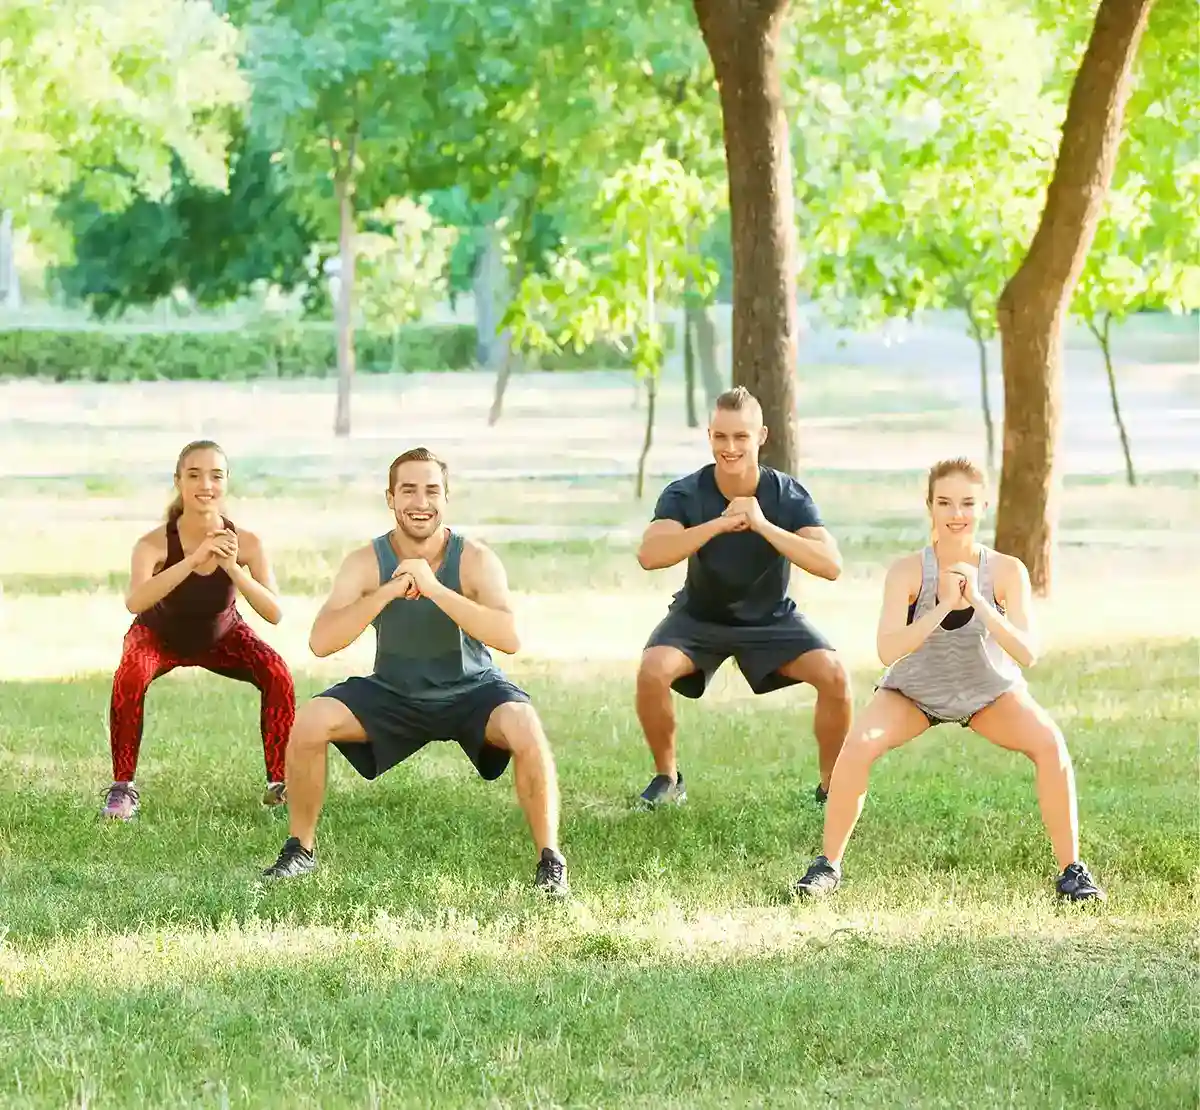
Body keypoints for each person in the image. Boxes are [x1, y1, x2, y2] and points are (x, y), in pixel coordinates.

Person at [793, 457, 1105, 902]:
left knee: (1050, 743)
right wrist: (940, 607)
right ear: (930, 507)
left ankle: (1073, 873)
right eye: (944, 502)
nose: (956, 513)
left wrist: (978, 601)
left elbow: (1027, 652)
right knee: (858, 745)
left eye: (966, 503)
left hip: (987, 691)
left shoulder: (1006, 571)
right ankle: (827, 867)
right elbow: (887, 650)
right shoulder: (908, 572)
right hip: (914, 691)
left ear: (983, 507)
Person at [259, 447, 568, 896]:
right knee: (310, 720)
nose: (420, 502)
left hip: (472, 690)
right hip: (394, 693)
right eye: (408, 490)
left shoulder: (476, 559)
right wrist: (386, 592)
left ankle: (550, 860)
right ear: (390, 498)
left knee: (524, 723)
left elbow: (509, 637)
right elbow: (321, 641)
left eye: (431, 491)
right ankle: (299, 851)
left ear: (447, 498)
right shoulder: (365, 561)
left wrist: (435, 589)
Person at [634, 386, 852, 808]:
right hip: (700, 616)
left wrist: (763, 524)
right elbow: (649, 555)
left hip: (771, 619)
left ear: (761, 436)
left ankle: (831, 786)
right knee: (652, 670)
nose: (730, 447)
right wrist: (717, 524)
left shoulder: (787, 495)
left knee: (835, 675)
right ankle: (667, 778)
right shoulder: (685, 493)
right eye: (721, 437)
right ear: (710, 436)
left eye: (741, 437)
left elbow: (831, 564)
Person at [102, 440, 295, 820]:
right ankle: (122, 789)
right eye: (194, 475)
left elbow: (275, 613)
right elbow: (135, 602)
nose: (205, 484)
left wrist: (234, 568)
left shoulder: (249, 542)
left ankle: (280, 781)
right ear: (178, 481)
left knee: (276, 672)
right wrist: (193, 560)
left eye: (216, 475)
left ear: (226, 483)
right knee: (130, 675)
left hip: (222, 636)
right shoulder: (154, 543)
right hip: (158, 636)